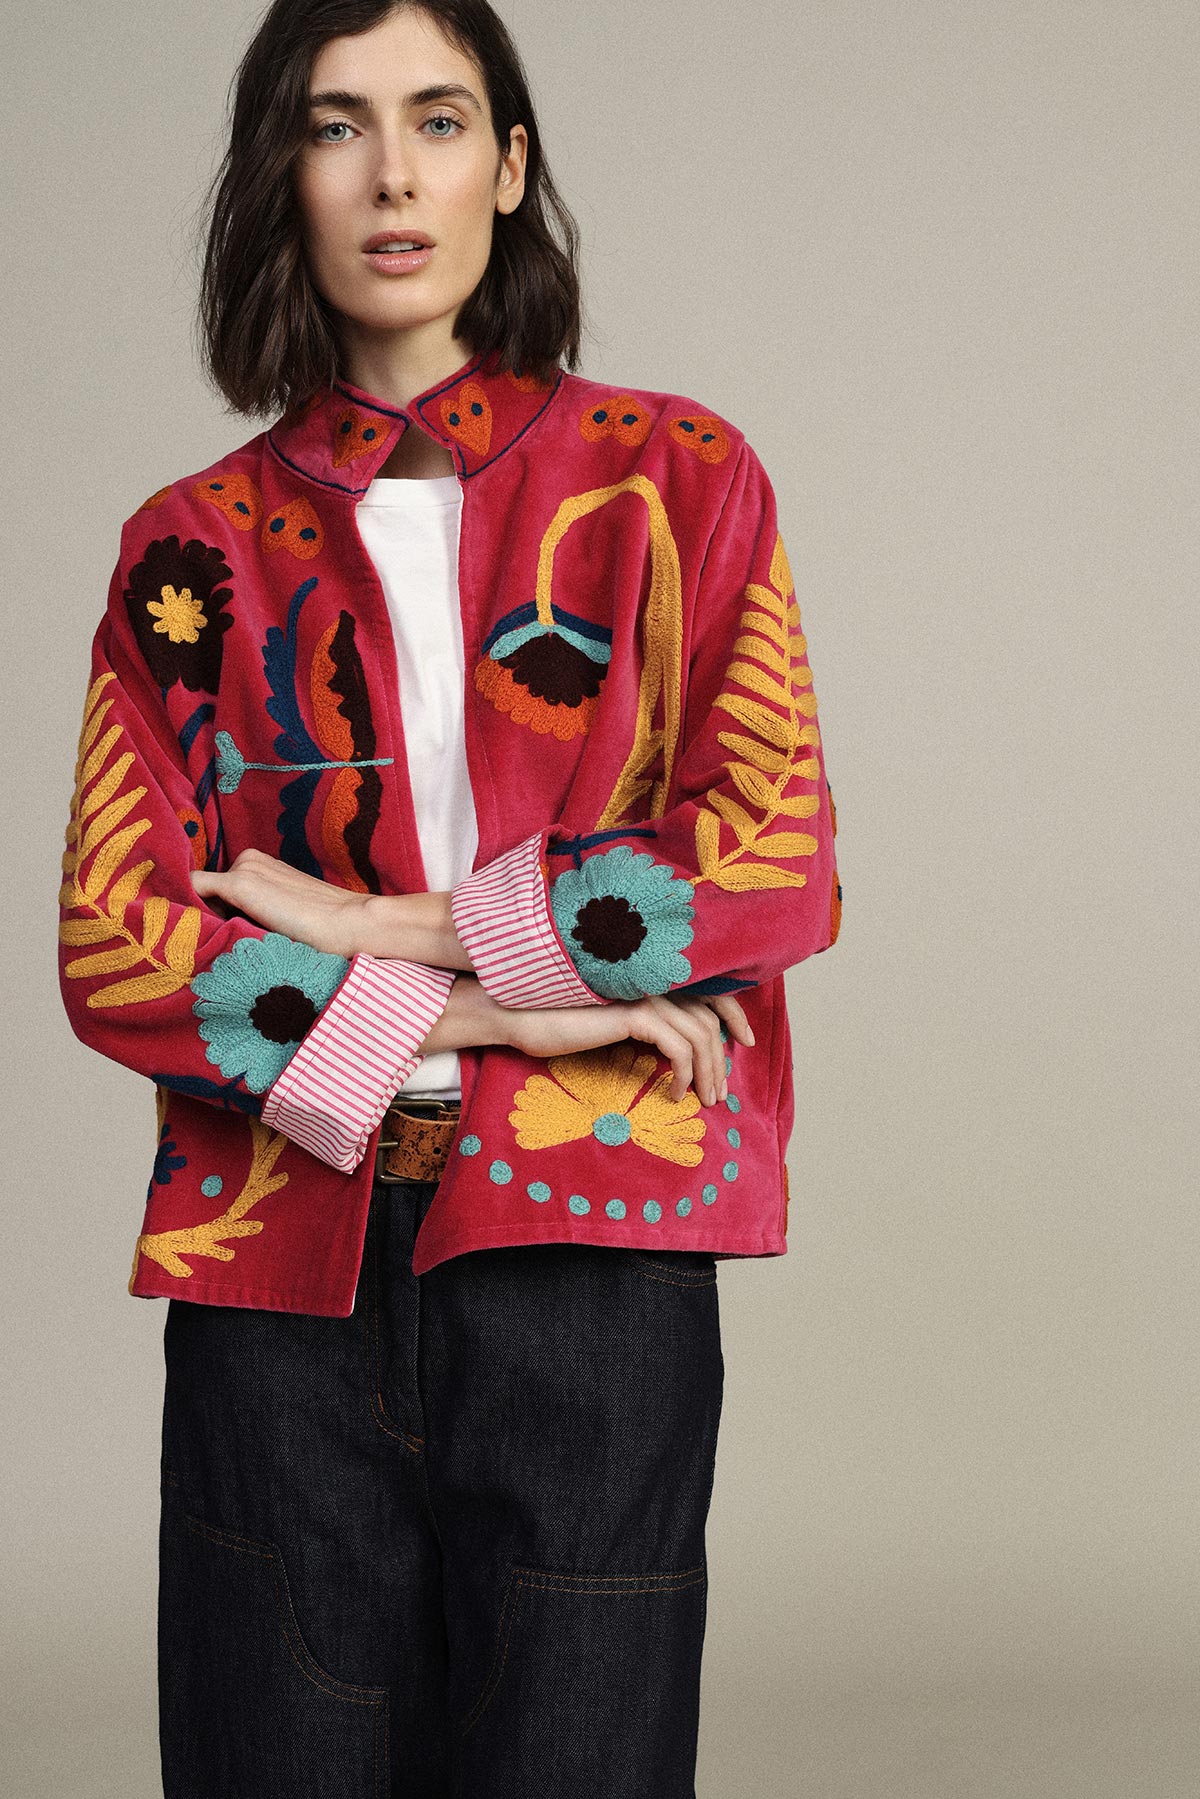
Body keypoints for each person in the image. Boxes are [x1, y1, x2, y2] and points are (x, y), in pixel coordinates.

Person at [56, 2, 841, 1793]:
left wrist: (399, 926)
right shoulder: (193, 549)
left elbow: (771, 855)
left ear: (511, 163)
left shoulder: (677, 478)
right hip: (279, 1264)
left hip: (589, 1250)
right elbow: (118, 945)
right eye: (337, 127)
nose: (394, 173)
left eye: (439, 117)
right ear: (283, 176)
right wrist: (497, 999)